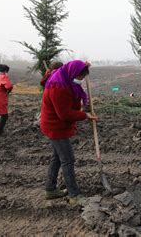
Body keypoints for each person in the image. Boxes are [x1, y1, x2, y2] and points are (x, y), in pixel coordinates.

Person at [40, 60, 97, 204]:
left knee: (57, 157)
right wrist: (85, 115)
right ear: (73, 74)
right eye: (79, 78)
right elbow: (64, 114)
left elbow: (75, 68)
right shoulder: (58, 87)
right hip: (55, 126)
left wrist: (84, 66)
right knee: (68, 159)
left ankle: (50, 189)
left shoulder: (63, 76)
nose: (80, 81)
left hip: (56, 125)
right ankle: (74, 195)